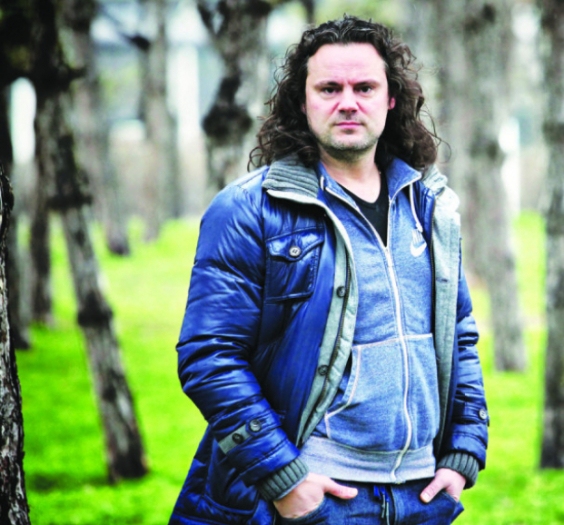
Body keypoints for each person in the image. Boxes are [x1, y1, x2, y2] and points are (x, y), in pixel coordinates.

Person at [170, 15, 489, 525]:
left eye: (364, 87)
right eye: (329, 88)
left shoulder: (428, 205)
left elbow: (459, 334)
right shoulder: (250, 209)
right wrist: (285, 478)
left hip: (423, 495)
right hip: (321, 495)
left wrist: (465, 449)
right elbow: (209, 357)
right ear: (302, 101)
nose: (347, 102)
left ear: (391, 98)